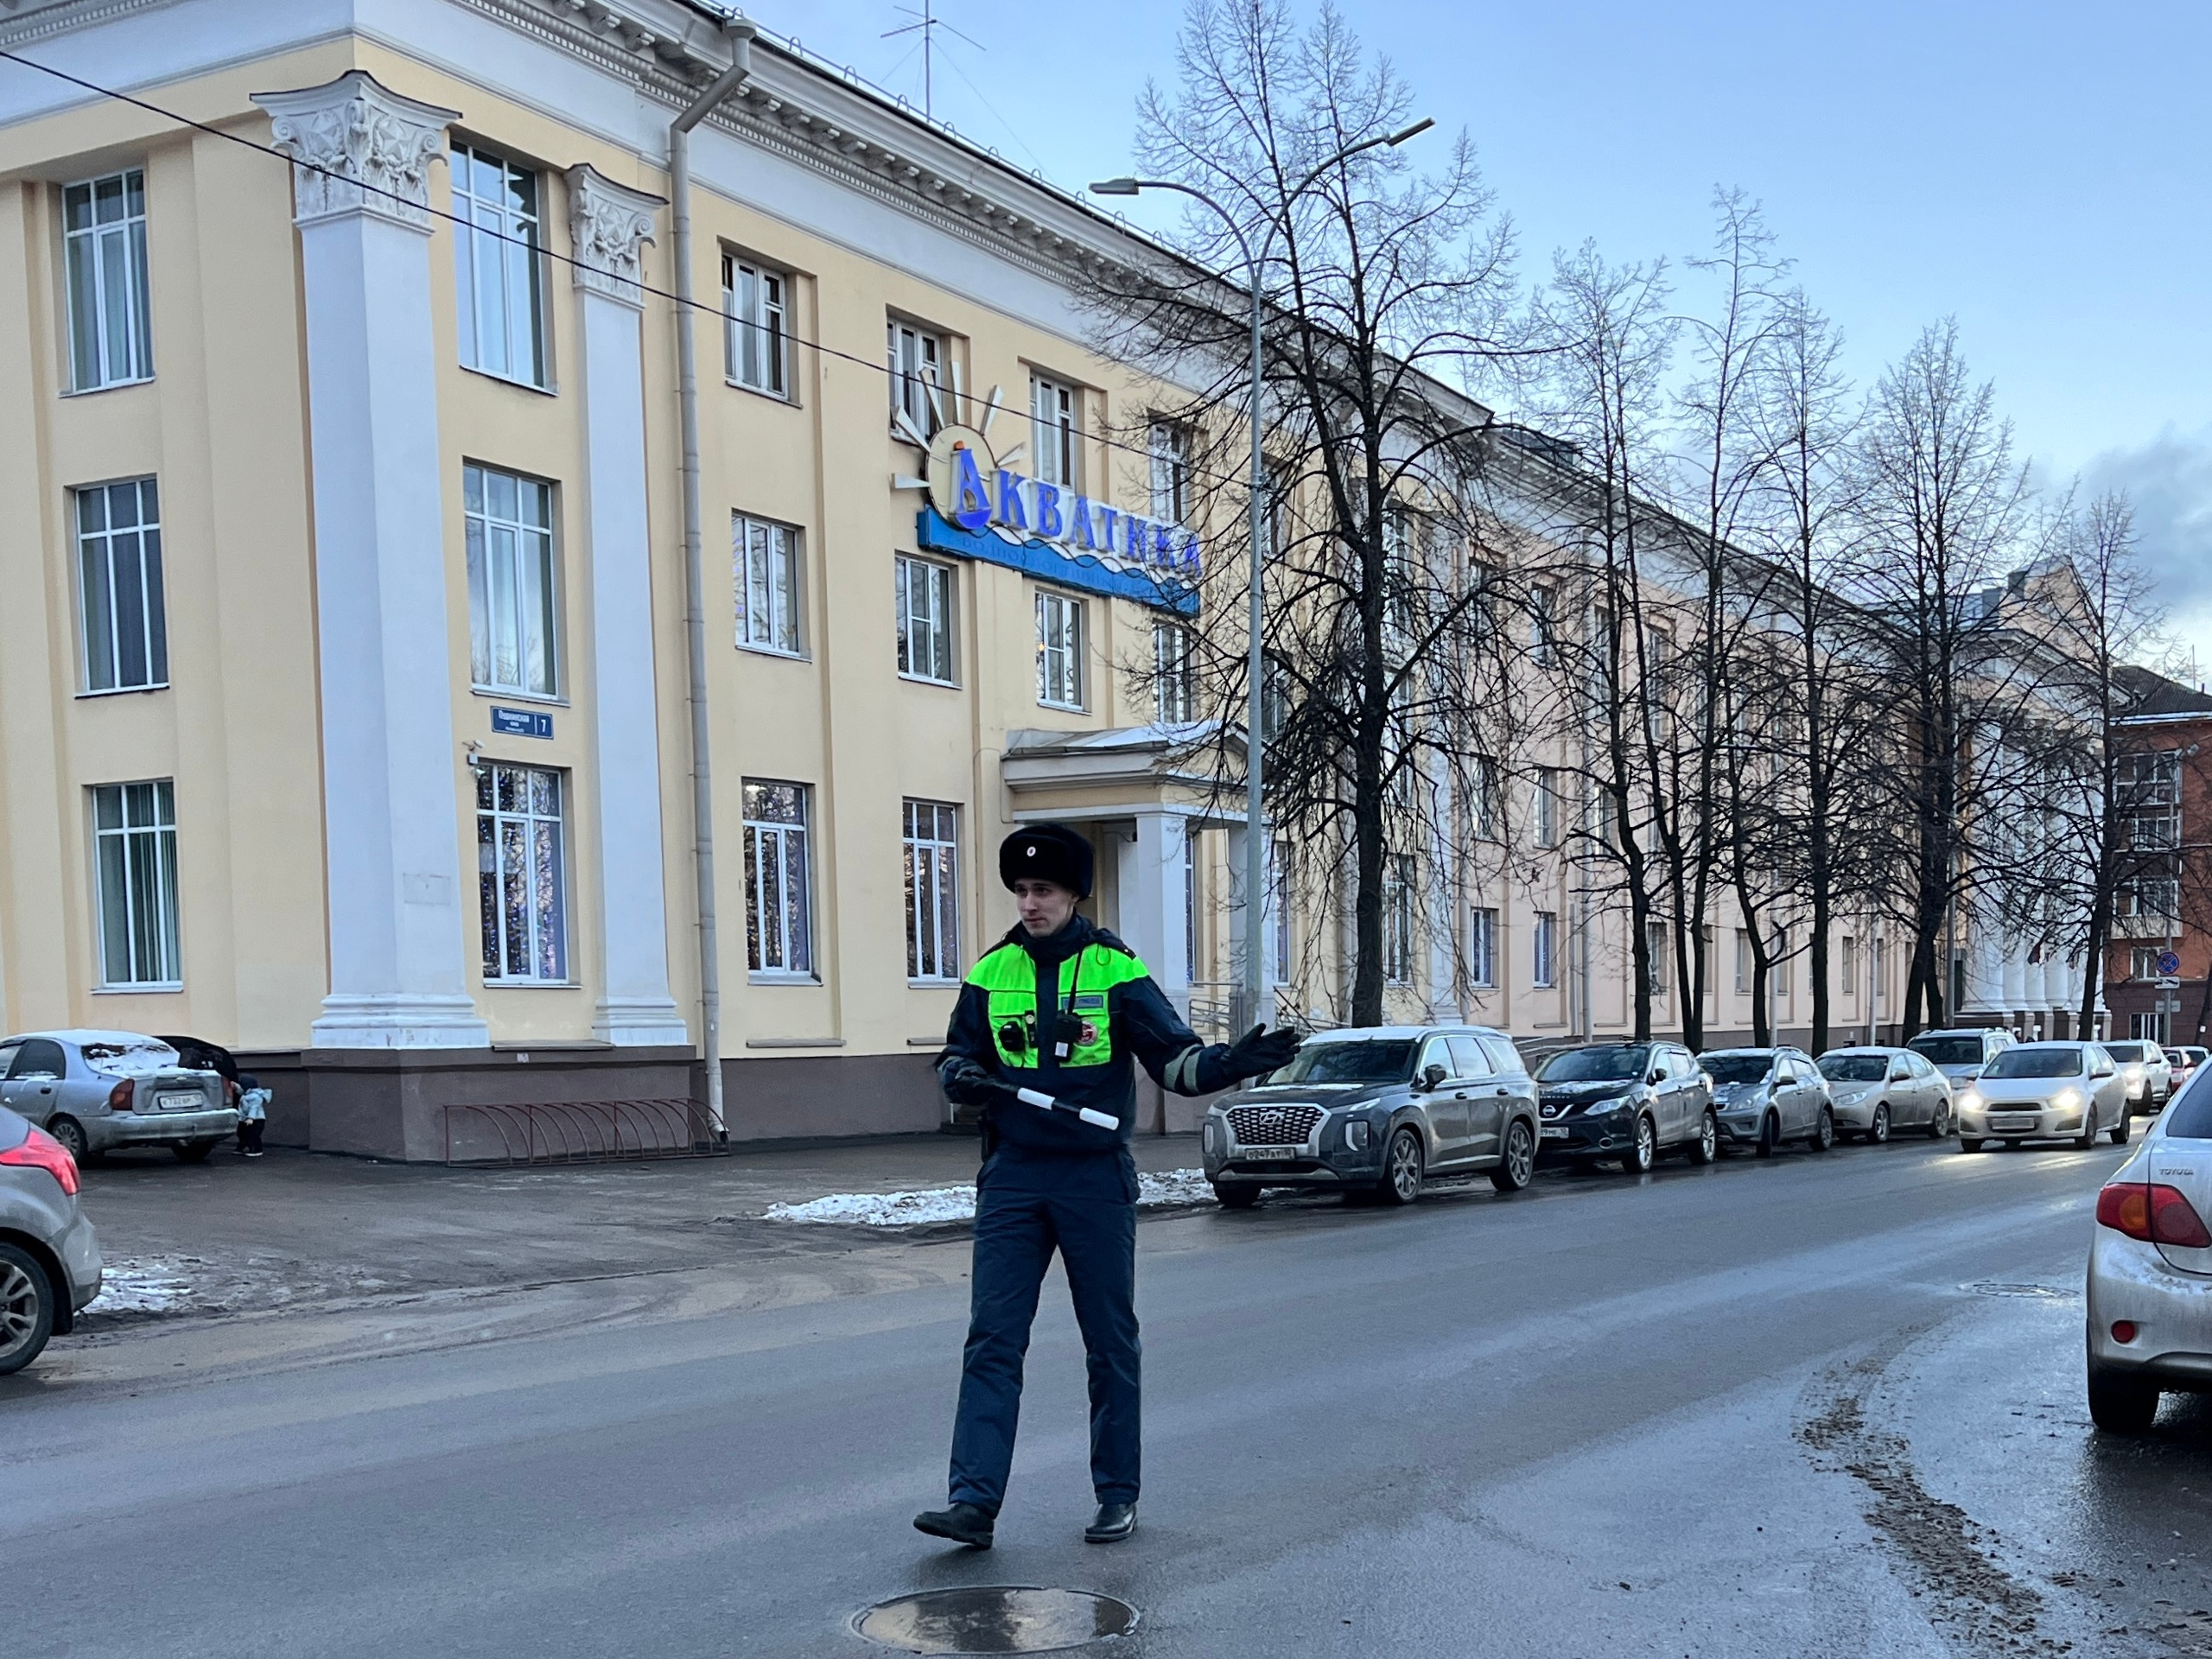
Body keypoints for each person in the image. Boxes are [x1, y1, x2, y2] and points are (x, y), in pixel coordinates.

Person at [912, 823, 1300, 1550]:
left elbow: (1173, 1062)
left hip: (1094, 1177)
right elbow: (956, 1056)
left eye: (1045, 891)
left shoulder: (1114, 970)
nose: (1031, 904)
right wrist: (957, 1076)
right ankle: (973, 1503)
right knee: (992, 1340)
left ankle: (1116, 1495)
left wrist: (1230, 1063)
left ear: (1074, 894)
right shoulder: (990, 972)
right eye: (1022, 891)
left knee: (1109, 1343)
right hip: (1014, 1178)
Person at [235, 1073, 269, 1158]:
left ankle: (257, 1149)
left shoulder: (255, 1096)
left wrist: (251, 1118)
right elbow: (241, 1091)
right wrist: (235, 1086)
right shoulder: (246, 1094)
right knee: (242, 1133)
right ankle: (244, 1145)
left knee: (253, 1134)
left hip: (257, 1119)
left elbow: (254, 1108)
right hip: (245, 1118)